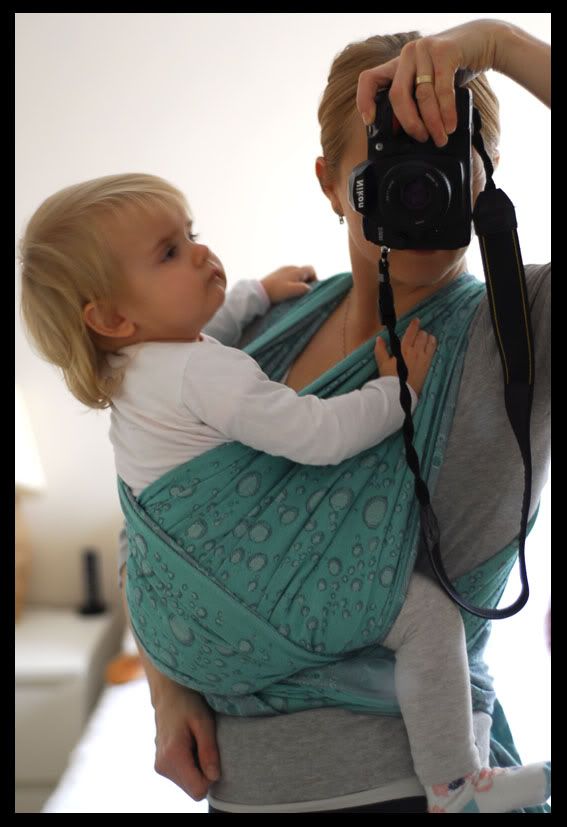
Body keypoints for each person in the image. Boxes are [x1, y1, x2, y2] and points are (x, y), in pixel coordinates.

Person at [19, 155, 549, 811]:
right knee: (424, 614)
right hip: (264, 606)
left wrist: (255, 293)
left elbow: (205, 340)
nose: (200, 252)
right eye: (169, 252)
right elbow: (315, 434)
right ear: (331, 180)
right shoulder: (214, 367)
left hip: (204, 652)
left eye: (190, 233)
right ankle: (455, 782)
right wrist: (396, 391)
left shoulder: (134, 368)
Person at [115, 19, 548, 815]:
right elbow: (164, 528)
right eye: (392, 165)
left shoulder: (521, 325)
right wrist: (166, 682)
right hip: (242, 796)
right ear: (329, 181)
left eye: (449, 160)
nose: (422, 188)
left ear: (485, 176)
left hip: (412, 788)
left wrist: (498, 45)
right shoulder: (252, 330)